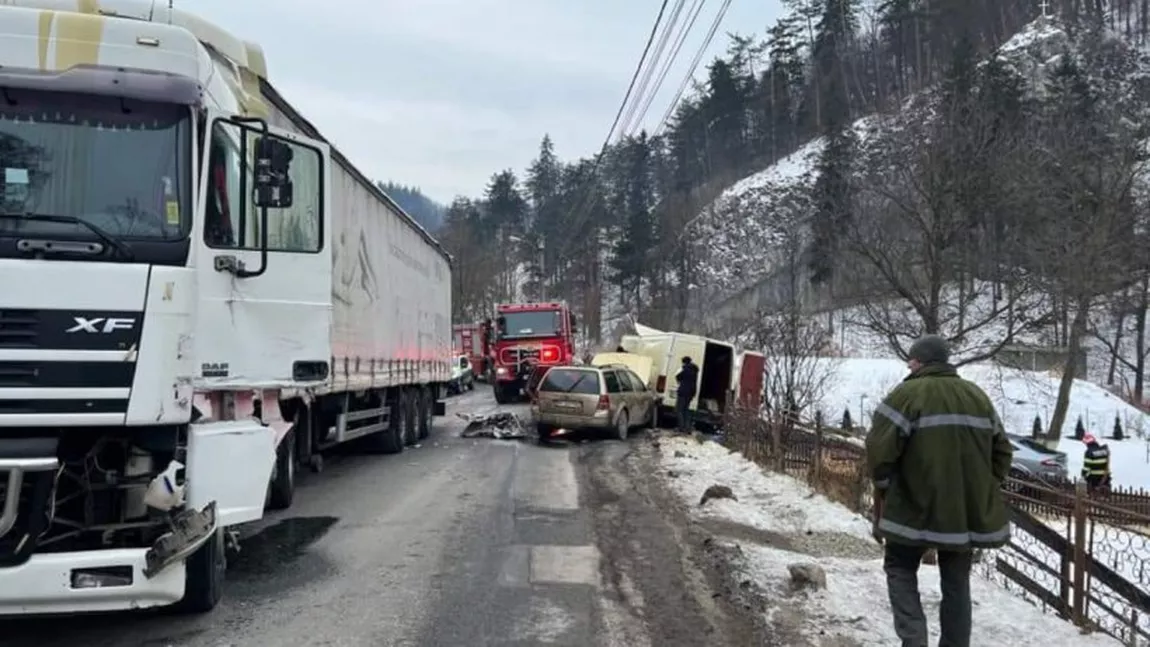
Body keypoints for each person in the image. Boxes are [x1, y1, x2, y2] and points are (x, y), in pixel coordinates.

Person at [865, 334, 1013, 647]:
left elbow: (880, 450)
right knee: (957, 580)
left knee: (900, 567)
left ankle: (914, 639)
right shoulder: (977, 397)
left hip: (912, 507)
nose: (908, 366)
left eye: (911, 361)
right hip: (962, 514)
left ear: (919, 362)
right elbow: (1002, 452)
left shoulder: (906, 394)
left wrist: (885, 486)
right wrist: (980, 489)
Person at [674, 356, 699, 433]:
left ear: (684, 362)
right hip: (690, 393)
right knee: (686, 410)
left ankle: (681, 428)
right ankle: (687, 428)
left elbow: (678, 377)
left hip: (683, 392)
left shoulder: (685, 369)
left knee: (679, 410)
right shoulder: (694, 371)